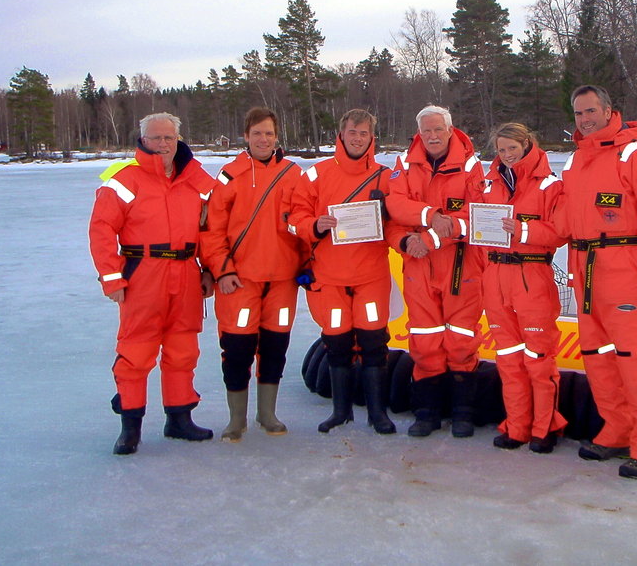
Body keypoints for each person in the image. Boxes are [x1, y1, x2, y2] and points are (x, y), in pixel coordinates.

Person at [555, 85, 637, 479]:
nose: (585, 119)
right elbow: (564, 222)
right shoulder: (576, 161)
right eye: (578, 113)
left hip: (629, 274)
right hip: (586, 275)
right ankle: (617, 429)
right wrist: (519, 233)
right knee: (599, 358)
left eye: (591, 111)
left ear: (610, 111)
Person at [89, 112, 217, 455]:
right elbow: (101, 230)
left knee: (183, 351)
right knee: (136, 352)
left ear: (178, 141)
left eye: (169, 139)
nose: (163, 145)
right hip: (142, 275)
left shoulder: (196, 180)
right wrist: (112, 278)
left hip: (186, 274)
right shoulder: (124, 180)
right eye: (156, 138)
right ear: (142, 140)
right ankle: (130, 427)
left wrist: (210, 270)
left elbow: (211, 229)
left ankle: (179, 419)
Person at [285, 109, 407, 435]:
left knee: (374, 344)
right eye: (352, 132)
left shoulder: (387, 176)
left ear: (372, 138)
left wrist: (406, 241)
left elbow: (398, 222)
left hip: (371, 278)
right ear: (341, 134)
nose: (357, 138)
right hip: (330, 279)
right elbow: (294, 220)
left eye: (363, 133)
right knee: (336, 345)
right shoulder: (315, 175)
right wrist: (314, 225)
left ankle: (377, 413)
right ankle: (340, 412)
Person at [200, 107, 303, 442]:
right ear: (246, 136)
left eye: (269, 133)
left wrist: (308, 265)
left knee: (275, 347)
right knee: (238, 349)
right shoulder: (229, 177)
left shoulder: (293, 174)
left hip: (282, 280)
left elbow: (304, 222)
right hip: (240, 280)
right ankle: (236, 419)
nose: (264, 139)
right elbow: (212, 232)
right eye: (257, 133)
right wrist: (222, 270)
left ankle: (267, 413)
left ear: (277, 137)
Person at [386, 105, 486, 438]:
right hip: (417, 264)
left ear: (450, 130)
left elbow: (478, 218)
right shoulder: (404, 164)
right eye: (426, 131)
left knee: (461, 338)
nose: (432, 136)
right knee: (425, 338)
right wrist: (418, 229)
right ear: (419, 133)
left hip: (461, 265)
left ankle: (463, 412)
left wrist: (428, 238)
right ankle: (426, 411)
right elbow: (395, 208)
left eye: (437, 130)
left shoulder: (472, 167)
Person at [481, 123, 568, 454]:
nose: (506, 156)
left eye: (512, 149)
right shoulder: (489, 184)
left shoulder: (550, 185)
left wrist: (522, 230)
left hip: (532, 275)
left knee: (538, 358)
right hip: (496, 276)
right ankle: (516, 427)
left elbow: (560, 232)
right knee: (508, 359)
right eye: (501, 150)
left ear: (527, 144)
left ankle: (544, 428)